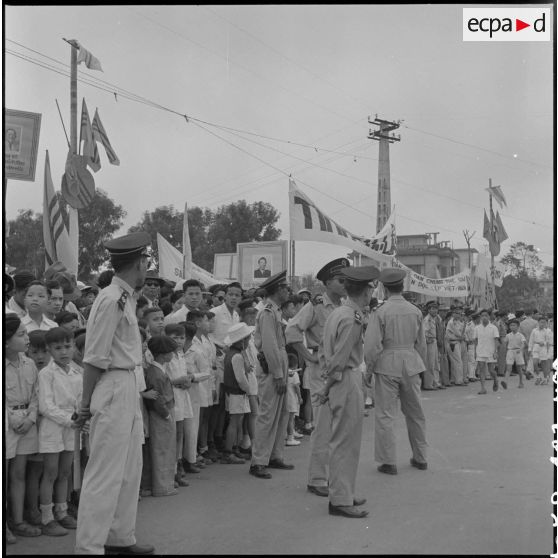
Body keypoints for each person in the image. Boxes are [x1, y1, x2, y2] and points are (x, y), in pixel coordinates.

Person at [74, 231, 154, 555]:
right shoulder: (111, 299)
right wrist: (84, 404)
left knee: (129, 469)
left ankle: (120, 537)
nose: (147, 267)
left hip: (128, 383)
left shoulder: (127, 298)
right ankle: (89, 547)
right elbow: (94, 358)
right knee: (104, 473)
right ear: (138, 263)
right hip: (112, 385)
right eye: (146, 261)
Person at [313, 266, 378, 518]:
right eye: (371, 288)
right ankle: (340, 499)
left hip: (341, 379)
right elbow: (339, 360)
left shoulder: (338, 312)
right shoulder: (353, 317)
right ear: (367, 291)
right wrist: (327, 388)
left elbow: (323, 349)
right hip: (345, 378)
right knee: (345, 442)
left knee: (344, 440)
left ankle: (344, 492)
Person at [285, 257, 349, 496]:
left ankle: (333, 476)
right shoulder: (316, 305)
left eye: (346, 280)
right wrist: (307, 356)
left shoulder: (344, 305)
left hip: (338, 370)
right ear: (327, 282)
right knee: (322, 428)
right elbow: (292, 331)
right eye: (340, 280)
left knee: (338, 428)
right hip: (320, 369)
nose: (345, 284)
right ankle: (317, 479)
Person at [365, 267, 428, 477]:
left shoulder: (380, 312)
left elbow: (372, 346)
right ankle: (421, 457)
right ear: (403, 286)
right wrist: (421, 366)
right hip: (411, 362)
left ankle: (388, 461)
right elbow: (422, 343)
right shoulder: (416, 310)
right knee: (416, 413)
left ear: (384, 287)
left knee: (385, 414)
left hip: (387, 364)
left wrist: (369, 370)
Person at [38, 327, 82, 536]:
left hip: (72, 425)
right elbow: (46, 406)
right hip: (54, 426)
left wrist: (81, 417)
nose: (64, 352)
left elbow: (81, 400)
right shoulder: (46, 374)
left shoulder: (77, 372)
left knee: (65, 472)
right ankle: (47, 517)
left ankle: (62, 511)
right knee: (51, 473)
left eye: (67, 346)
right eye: (58, 348)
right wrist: (69, 420)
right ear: (49, 349)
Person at [249, 270, 292, 479]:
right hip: (272, 366)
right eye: (285, 288)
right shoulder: (267, 312)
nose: (288, 291)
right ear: (278, 290)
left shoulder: (276, 311)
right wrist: (277, 374)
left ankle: (274, 455)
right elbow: (269, 346)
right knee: (267, 414)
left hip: (280, 361)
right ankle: (258, 461)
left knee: (281, 413)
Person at [5, 314, 41, 541]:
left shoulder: (29, 363)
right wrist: (11, 419)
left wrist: (31, 417)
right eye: (21, 334)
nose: (26, 338)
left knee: (19, 473)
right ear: (5, 341)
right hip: (7, 424)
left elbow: (37, 394)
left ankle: (18, 521)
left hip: (27, 421)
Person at [144, 335, 179, 497]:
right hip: (161, 414)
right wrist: (165, 414)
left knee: (165, 448)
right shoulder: (156, 373)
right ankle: (162, 486)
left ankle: (164, 483)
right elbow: (158, 399)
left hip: (163, 411)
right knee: (162, 449)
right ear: (164, 354)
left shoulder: (156, 370)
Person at [164, 323, 193, 487]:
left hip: (182, 395)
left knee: (180, 432)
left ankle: (178, 464)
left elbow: (184, 375)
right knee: (173, 434)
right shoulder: (167, 357)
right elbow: (163, 380)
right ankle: (172, 470)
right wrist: (178, 381)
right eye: (175, 338)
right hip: (172, 396)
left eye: (182, 338)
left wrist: (187, 381)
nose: (179, 341)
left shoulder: (181, 354)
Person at [221, 323, 254, 464]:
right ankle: (228, 452)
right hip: (237, 392)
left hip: (231, 392)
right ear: (242, 340)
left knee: (235, 421)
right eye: (247, 339)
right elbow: (240, 378)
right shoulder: (237, 356)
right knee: (234, 422)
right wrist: (249, 390)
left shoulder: (231, 353)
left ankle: (234, 449)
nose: (248, 341)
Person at [474, 309, 500, 395]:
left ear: (489, 317)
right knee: (481, 369)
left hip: (490, 351)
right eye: (482, 316)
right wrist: (475, 351)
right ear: (480, 317)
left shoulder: (493, 327)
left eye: (486, 315)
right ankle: (483, 388)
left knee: (491, 370)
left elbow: (496, 340)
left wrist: (495, 351)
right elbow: (476, 340)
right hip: (480, 351)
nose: (484, 317)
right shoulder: (477, 328)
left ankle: (495, 379)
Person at [502, 319, 527, 389]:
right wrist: (505, 351)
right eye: (511, 325)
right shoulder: (508, 335)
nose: (512, 327)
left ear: (518, 326)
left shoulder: (520, 335)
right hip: (510, 351)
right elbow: (505, 343)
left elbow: (523, 344)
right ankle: (505, 381)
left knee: (519, 368)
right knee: (508, 367)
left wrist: (520, 349)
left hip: (518, 351)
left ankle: (521, 382)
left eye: (514, 325)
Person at [285, 353, 303, 447]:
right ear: (296, 364)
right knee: (291, 419)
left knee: (286, 418)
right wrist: (300, 397)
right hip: (292, 399)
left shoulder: (285, 372)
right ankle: (290, 438)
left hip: (285, 398)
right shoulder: (294, 373)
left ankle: (287, 434)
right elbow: (297, 387)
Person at [445, 306, 466, 386]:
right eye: (458, 313)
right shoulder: (451, 322)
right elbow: (459, 334)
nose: (459, 315)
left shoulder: (457, 322)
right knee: (458, 362)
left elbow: (462, 333)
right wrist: (461, 336)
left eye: (460, 313)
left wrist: (464, 324)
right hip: (453, 343)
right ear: (453, 313)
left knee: (455, 362)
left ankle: (454, 379)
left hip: (456, 342)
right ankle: (459, 380)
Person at [529, 316, 552, 385]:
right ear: (538, 322)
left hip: (544, 349)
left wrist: (544, 343)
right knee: (535, 363)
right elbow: (531, 340)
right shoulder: (534, 330)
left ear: (546, 323)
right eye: (541, 322)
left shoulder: (548, 331)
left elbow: (550, 341)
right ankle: (538, 377)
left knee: (543, 365)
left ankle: (545, 378)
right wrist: (530, 349)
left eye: (544, 322)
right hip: (536, 347)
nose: (542, 324)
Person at [422, 301, 440, 390]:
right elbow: (424, 332)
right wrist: (428, 340)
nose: (435, 311)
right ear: (429, 310)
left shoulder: (434, 319)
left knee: (436, 363)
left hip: (434, 341)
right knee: (430, 364)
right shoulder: (427, 319)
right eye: (433, 309)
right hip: (430, 342)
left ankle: (435, 382)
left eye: (436, 309)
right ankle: (428, 384)